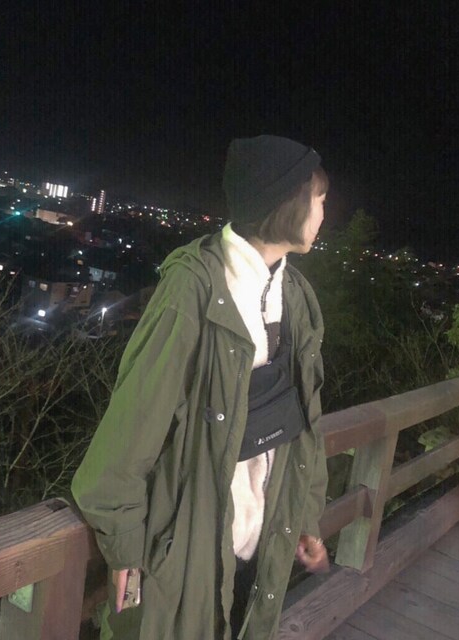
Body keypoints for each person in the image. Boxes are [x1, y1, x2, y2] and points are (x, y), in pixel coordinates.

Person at [71, 135, 330, 640]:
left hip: (263, 540)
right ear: (285, 204)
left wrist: (304, 516)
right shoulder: (194, 288)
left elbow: (306, 421)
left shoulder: (295, 295)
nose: (324, 212)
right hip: (193, 542)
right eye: (318, 198)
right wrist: (124, 548)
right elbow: (131, 427)